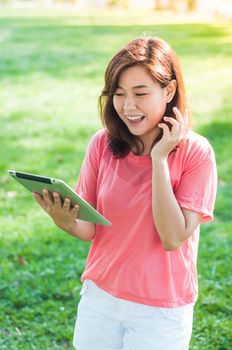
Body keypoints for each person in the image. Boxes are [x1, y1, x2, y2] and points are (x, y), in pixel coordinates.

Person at [33, 36, 217, 350]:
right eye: (118, 94)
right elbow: (89, 227)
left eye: (140, 93)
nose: (128, 106)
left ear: (169, 90)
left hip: (160, 307)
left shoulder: (195, 153)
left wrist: (159, 159)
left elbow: (172, 238)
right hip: (101, 296)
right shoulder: (101, 145)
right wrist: (63, 220)